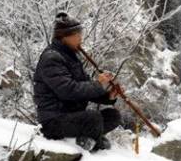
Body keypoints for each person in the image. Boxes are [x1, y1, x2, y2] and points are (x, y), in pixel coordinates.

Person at [33, 12, 122, 151]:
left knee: (113, 116)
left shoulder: (71, 57)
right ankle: (91, 141)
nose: (81, 38)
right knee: (93, 118)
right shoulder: (51, 58)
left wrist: (108, 96)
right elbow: (68, 91)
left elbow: (83, 87)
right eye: (77, 35)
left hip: (72, 116)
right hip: (54, 120)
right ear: (64, 36)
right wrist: (98, 83)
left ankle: (89, 137)